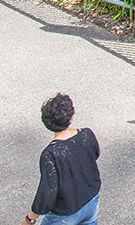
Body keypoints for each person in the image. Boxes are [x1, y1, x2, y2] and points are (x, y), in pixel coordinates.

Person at [24, 93, 100, 225]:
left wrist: (31, 217)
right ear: (70, 118)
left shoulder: (51, 153)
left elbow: (48, 190)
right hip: (91, 201)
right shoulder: (87, 134)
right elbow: (95, 154)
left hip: (66, 212)